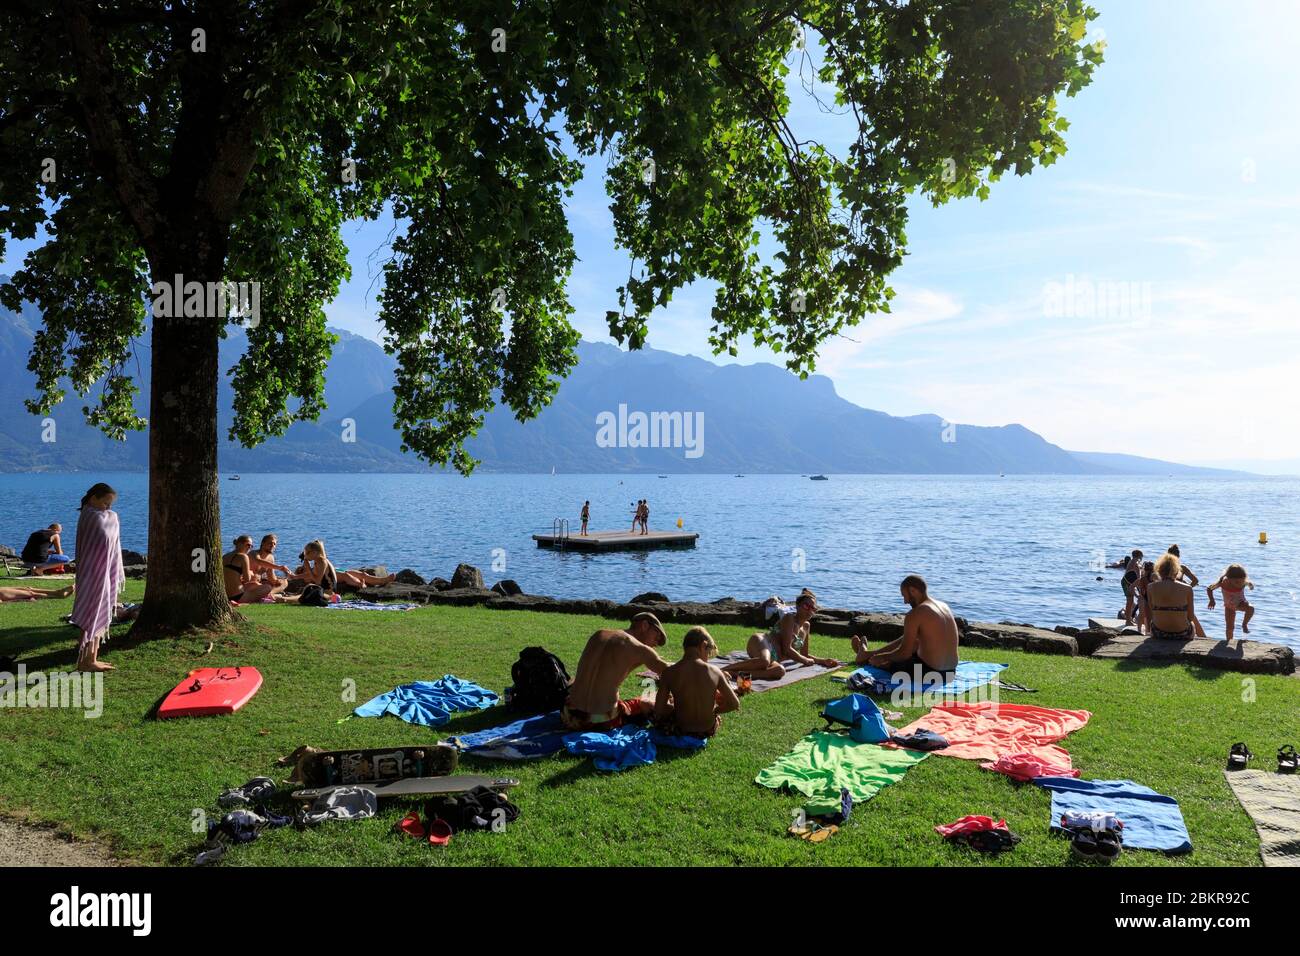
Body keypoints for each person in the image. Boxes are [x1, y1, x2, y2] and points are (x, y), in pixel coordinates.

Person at [562, 612, 670, 731]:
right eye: (657, 635)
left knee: (576, 680)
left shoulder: (599, 634)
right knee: (646, 701)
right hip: (601, 722)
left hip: (568, 715)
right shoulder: (641, 650)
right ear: (644, 625)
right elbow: (671, 671)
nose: (657, 643)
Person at [853, 575, 959, 675]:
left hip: (930, 672)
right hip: (951, 672)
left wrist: (882, 657)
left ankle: (866, 658)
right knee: (913, 641)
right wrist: (879, 654)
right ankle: (867, 654)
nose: (905, 601)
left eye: (904, 596)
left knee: (888, 662)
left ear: (913, 590)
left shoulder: (916, 613)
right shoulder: (944, 606)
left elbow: (904, 653)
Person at [722, 590, 839, 680]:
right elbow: (787, 649)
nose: (810, 610)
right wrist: (805, 660)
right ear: (798, 606)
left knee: (779, 671)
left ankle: (735, 674)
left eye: (813, 608)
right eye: (806, 606)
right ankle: (721, 670)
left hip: (774, 658)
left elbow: (805, 654)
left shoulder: (806, 626)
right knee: (764, 661)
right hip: (762, 642)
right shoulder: (789, 618)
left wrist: (823, 661)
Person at [69, 483, 124, 672]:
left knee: (101, 612)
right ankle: (86, 661)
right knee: (91, 615)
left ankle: (92, 658)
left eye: (110, 504)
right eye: (105, 503)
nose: (108, 508)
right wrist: (111, 518)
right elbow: (100, 541)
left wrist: (111, 517)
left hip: (104, 574)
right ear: (94, 498)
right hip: (92, 574)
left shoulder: (106, 516)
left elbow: (111, 543)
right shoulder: (90, 516)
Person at [653, 627, 740, 738]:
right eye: (708, 653)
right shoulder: (715, 671)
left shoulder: (669, 672)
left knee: (649, 706)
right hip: (706, 731)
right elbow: (734, 704)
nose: (707, 659)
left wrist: (676, 708)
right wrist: (714, 711)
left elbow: (658, 710)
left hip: (680, 729)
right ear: (703, 645)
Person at [1145, 553, 1207, 640]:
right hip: (1182, 633)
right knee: (1192, 624)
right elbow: (1190, 617)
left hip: (1158, 632)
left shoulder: (1150, 587)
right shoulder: (1188, 588)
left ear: (1159, 571)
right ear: (1176, 571)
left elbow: (1152, 612)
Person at [294, 540, 395, 592]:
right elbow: (298, 577)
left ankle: (382, 580)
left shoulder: (317, 564)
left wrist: (317, 545)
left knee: (360, 573)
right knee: (346, 576)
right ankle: (361, 585)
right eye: (301, 569)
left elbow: (322, 555)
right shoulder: (307, 573)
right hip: (339, 576)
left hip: (338, 571)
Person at [223, 535, 278, 604]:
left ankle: (264, 597)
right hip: (239, 596)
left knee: (255, 584)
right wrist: (250, 572)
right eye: (248, 545)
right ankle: (263, 599)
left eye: (251, 546)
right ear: (239, 544)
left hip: (226, 595)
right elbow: (247, 579)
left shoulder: (224, 556)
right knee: (267, 587)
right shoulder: (243, 557)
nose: (249, 548)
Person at [1207, 564, 1256, 639]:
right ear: (1229, 578)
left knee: (1251, 608)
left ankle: (1244, 624)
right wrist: (1212, 600)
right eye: (1236, 582)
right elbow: (1209, 588)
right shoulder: (1223, 583)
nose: (1239, 583)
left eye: (1242, 580)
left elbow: (1249, 584)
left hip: (1241, 603)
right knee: (1230, 627)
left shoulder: (1243, 582)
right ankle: (1229, 640)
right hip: (1229, 607)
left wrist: (1251, 586)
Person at [1120, 549, 1144, 624]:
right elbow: (1138, 578)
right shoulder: (1135, 563)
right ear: (1139, 556)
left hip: (1127, 582)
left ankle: (1129, 619)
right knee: (1129, 601)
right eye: (1142, 556)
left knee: (1130, 601)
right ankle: (1128, 621)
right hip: (1127, 583)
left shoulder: (1132, 561)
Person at [1, 583, 75, 603]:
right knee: (31, 593)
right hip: (4, 594)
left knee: (28, 589)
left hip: (2, 591)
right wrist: (24, 600)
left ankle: (58, 592)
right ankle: (59, 595)